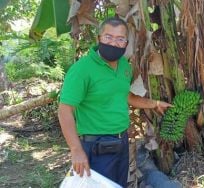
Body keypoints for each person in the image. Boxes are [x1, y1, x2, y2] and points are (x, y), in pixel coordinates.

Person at [58, 17, 172, 187]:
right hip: (96, 145)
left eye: (120, 39)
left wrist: (154, 103)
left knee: (118, 185)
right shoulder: (82, 70)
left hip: (121, 141)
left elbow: (124, 96)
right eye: (108, 37)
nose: (114, 43)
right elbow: (65, 110)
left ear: (126, 42)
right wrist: (76, 150)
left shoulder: (124, 67)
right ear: (99, 38)